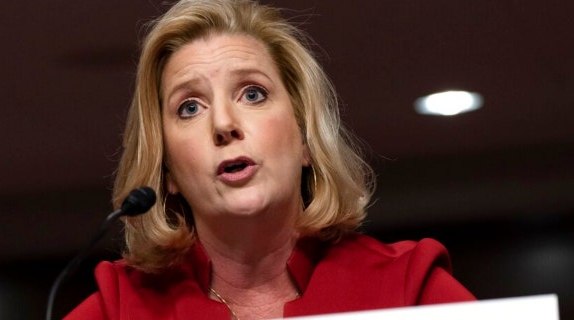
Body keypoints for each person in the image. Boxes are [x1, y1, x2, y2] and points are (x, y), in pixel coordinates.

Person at [65, 0, 475, 319]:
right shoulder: (117, 309)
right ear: (166, 169)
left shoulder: (409, 291)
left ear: (306, 141)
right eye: (190, 107)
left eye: (253, 93)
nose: (224, 124)